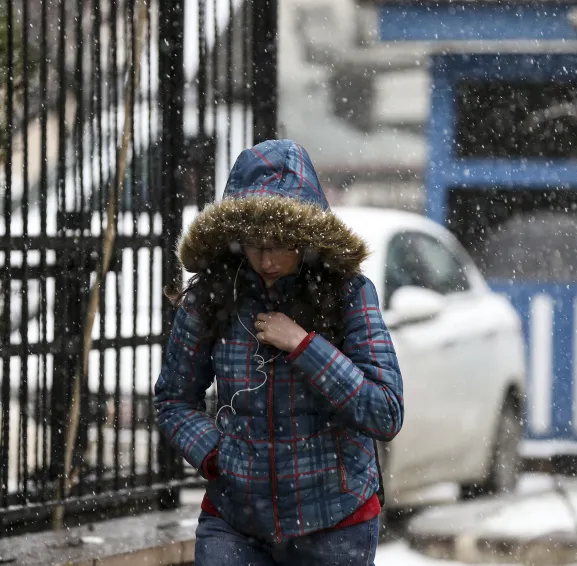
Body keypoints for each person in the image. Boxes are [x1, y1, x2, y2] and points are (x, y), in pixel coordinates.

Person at [154, 139, 404, 565]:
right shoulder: (213, 295)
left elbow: (384, 411)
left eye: (280, 243)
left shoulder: (349, 294)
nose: (266, 259)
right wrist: (216, 456)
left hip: (334, 523)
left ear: (306, 237)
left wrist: (304, 346)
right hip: (235, 522)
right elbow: (173, 400)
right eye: (254, 243)